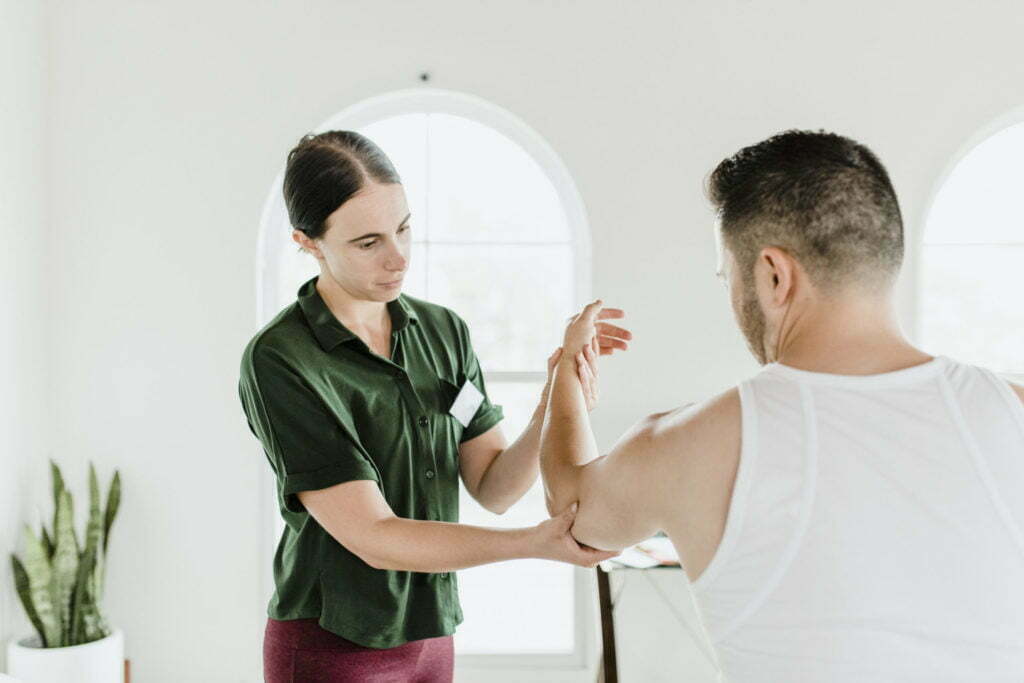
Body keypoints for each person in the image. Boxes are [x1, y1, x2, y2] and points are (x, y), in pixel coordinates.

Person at [540, 130, 1024, 682]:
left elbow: (570, 515)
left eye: (729, 278)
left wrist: (566, 378)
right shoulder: (1014, 410)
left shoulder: (691, 443)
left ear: (774, 275)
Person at [238, 130, 627, 682]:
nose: (398, 258)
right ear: (308, 242)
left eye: (403, 228)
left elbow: (494, 487)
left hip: (432, 637)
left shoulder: (443, 331)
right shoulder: (282, 359)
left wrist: (555, 390)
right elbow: (375, 538)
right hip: (334, 645)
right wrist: (534, 544)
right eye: (368, 243)